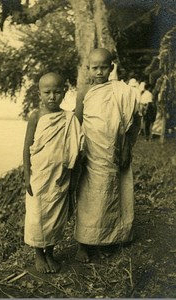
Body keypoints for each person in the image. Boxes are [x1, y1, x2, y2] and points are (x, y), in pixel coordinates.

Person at [74, 48, 141, 262]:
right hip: (91, 153)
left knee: (112, 194)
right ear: (88, 69)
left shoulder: (121, 91)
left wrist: (127, 148)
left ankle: (108, 239)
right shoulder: (85, 92)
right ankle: (84, 243)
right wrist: (78, 150)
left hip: (115, 150)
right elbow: (77, 122)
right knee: (88, 196)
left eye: (104, 67)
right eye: (95, 68)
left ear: (111, 67)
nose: (99, 72)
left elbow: (134, 121)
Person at [23, 72, 83, 273]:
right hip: (39, 175)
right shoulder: (36, 116)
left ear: (64, 92)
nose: (52, 96)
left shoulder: (68, 119)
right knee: (37, 215)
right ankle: (39, 255)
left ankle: (50, 252)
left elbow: (76, 149)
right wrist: (26, 175)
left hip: (60, 176)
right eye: (47, 92)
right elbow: (27, 148)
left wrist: (72, 178)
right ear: (39, 93)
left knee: (55, 216)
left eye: (57, 92)